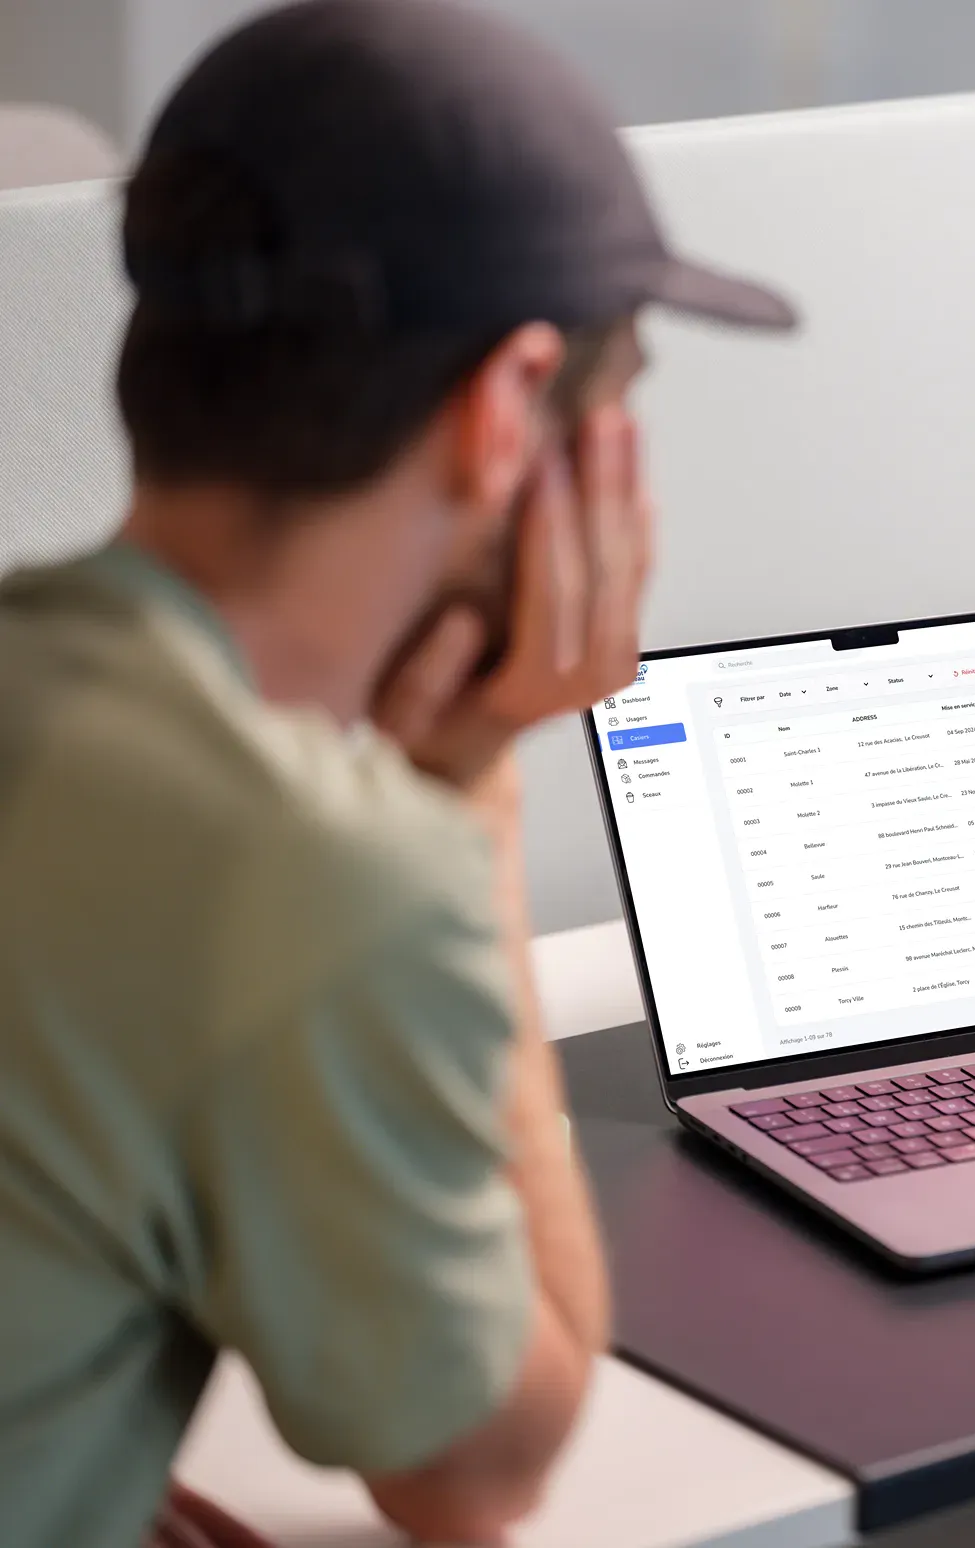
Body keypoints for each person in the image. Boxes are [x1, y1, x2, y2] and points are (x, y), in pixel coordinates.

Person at [0, 3, 794, 1546]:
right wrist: (470, 801)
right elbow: (476, 1476)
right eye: (615, 415)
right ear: (509, 412)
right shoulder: (317, 863)